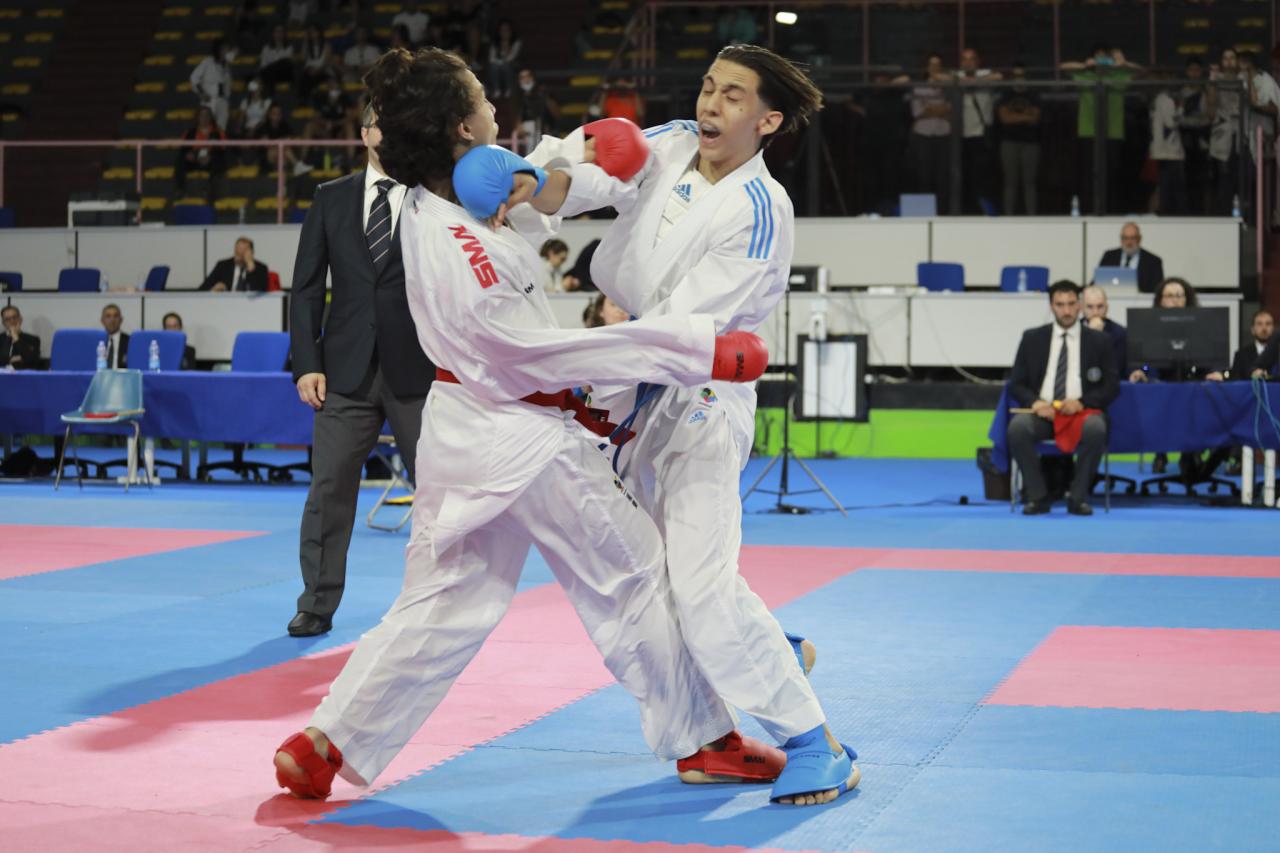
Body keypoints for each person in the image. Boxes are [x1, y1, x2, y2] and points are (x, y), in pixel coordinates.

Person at [273, 47, 774, 805]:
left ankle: (328, 739)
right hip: (528, 437)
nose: (496, 113)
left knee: (449, 595)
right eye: (483, 103)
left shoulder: (442, 198)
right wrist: (696, 347)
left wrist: (567, 162)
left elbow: (528, 168)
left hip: (462, 430)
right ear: (456, 129)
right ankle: (708, 740)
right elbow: (540, 352)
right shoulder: (459, 249)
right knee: (632, 574)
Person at [527, 43, 858, 806]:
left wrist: (573, 370)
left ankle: (818, 742)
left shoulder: (762, 209)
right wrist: (532, 179)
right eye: (709, 86)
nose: (712, 103)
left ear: (768, 120)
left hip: (702, 394)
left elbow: (681, 332)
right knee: (660, 582)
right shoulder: (671, 140)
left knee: (703, 592)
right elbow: (582, 181)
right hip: (632, 384)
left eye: (734, 96)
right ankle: (774, 647)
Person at [286, 102, 435, 638]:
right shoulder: (331, 198)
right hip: (343, 371)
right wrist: (306, 363)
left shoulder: (431, 196)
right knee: (328, 490)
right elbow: (305, 289)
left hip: (418, 368)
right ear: (367, 132)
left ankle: (438, 603)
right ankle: (316, 602)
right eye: (383, 125)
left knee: (439, 493)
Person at [1007, 280, 1120, 515]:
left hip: (1081, 412)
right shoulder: (1032, 338)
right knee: (1017, 429)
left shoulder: (1100, 341)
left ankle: (1078, 497)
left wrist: (1082, 402)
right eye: (1060, 305)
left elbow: (1111, 386)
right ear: (1051, 306)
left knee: (1096, 429)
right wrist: (1036, 403)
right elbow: (1016, 383)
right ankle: (1037, 496)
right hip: (1044, 413)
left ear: (1079, 305)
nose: (1067, 311)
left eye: (1071, 304)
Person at [1060, 45, 1142, 214]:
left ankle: (1111, 212)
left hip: (1113, 133)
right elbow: (1062, 67)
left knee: (1111, 176)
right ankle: (1088, 210)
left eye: (1105, 58)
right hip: (1088, 133)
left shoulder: (1120, 74)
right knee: (1088, 176)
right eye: (1098, 57)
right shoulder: (1085, 74)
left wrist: (1123, 63)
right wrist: (1084, 65)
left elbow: (1142, 71)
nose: (1101, 61)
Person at [957, 47, 1000, 213]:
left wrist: (973, 81)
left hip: (981, 134)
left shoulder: (985, 74)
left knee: (982, 177)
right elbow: (938, 77)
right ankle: (966, 210)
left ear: (978, 62)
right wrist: (962, 81)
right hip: (961, 135)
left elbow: (999, 76)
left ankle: (985, 210)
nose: (968, 63)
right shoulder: (958, 76)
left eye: (972, 59)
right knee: (964, 177)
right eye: (965, 59)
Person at [909, 53, 952, 212]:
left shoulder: (948, 87)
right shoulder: (919, 87)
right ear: (927, 68)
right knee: (924, 176)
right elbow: (917, 112)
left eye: (938, 65)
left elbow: (952, 111)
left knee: (943, 177)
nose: (935, 68)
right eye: (932, 65)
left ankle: (943, 213)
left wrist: (930, 108)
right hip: (923, 136)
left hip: (943, 135)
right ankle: (923, 212)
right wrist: (941, 110)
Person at [997, 62, 1042, 215]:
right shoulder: (1006, 94)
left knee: (1030, 181)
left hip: (1030, 142)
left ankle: (1032, 216)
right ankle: (1008, 216)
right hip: (1009, 141)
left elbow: (1035, 118)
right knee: (1010, 181)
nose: (1019, 79)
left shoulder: (1033, 95)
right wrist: (1025, 116)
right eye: (1016, 76)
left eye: (1021, 76)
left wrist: (1014, 117)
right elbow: (1004, 118)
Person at [1150, 76, 1187, 215]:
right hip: (1169, 152)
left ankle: (1167, 212)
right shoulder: (1165, 99)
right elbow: (1171, 123)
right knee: (1171, 186)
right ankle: (1169, 214)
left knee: (1166, 184)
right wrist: (1181, 107)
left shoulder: (1159, 100)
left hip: (1164, 150)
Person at [174, 106, 227, 203]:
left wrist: (210, 156)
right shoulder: (190, 132)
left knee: (218, 160)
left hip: (211, 159)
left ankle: (211, 192)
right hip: (194, 159)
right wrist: (187, 155)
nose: (204, 118)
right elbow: (182, 149)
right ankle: (181, 190)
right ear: (197, 117)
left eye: (207, 115)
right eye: (202, 115)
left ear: (211, 117)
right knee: (179, 160)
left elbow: (223, 149)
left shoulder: (218, 132)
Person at [1097, 221, 1164, 294]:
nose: (1129, 242)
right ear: (1121, 239)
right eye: (1125, 238)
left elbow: (1158, 290)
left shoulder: (1153, 261)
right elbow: (1097, 281)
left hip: (1141, 303)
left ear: (1139, 239)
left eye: (1133, 238)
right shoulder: (1109, 256)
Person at [1081, 284, 1127, 377]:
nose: (1095, 312)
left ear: (1107, 307)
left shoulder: (1119, 333)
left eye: (1100, 306)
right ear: (1081, 308)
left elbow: (1116, 368)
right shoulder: (1073, 330)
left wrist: (1098, 336)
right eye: (1090, 307)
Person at [190, 38, 234, 130]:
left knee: (221, 128)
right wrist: (202, 93)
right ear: (218, 50)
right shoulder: (207, 62)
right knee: (207, 127)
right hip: (209, 100)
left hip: (223, 100)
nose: (227, 51)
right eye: (225, 49)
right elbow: (194, 78)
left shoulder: (227, 66)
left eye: (228, 49)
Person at [512, 68, 559, 154]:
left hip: (544, 127)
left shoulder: (542, 91)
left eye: (528, 76)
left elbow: (555, 113)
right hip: (528, 130)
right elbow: (516, 114)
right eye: (522, 77)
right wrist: (518, 125)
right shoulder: (517, 95)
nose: (526, 80)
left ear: (533, 77)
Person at [200, 236, 269, 292]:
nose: (239, 254)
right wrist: (213, 289)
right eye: (237, 251)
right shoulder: (223, 265)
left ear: (251, 253)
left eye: (243, 252)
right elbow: (202, 289)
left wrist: (251, 269)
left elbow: (260, 292)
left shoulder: (261, 268)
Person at [486, 19, 521, 98]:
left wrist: (506, 46)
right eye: (502, 30)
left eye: (507, 30)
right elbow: (491, 58)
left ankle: (509, 89)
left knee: (506, 65)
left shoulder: (516, 42)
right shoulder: (495, 43)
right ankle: (496, 89)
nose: (504, 32)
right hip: (497, 68)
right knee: (493, 66)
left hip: (511, 69)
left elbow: (512, 57)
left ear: (511, 31)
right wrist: (499, 62)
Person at [1, 305, 40, 369]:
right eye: (8, 319)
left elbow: (31, 360)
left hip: (22, 376)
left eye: (14, 317)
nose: (12, 321)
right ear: (3, 323)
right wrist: (11, 359)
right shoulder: (1, 339)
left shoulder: (33, 340)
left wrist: (16, 338)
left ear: (20, 319)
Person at [259, 24, 295, 90]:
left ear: (284, 34)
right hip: (270, 74)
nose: (279, 34)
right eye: (277, 31)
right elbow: (263, 65)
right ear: (273, 33)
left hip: (283, 75)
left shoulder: (289, 48)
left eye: (281, 32)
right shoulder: (266, 48)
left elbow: (287, 65)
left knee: (284, 62)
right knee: (267, 74)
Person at [100, 303, 129, 369]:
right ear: (102, 320)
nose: (112, 320)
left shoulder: (129, 341)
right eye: (108, 316)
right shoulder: (96, 341)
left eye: (115, 316)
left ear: (121, 319)